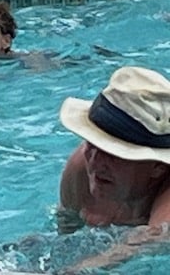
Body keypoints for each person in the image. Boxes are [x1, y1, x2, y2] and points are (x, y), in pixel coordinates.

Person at [56, 66, 170, 271]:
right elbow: (66, 229)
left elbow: (154, 239)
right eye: (92, 143)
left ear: (158, 168)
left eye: (113, 153)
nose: (95, 161)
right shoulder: (80, 166)